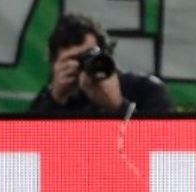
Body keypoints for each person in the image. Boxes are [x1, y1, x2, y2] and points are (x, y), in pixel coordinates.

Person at [29, 14, 171, 118]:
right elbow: (27, 149)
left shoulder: (144, 90)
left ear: (106, 54)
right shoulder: (48, 101)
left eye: (90, 56)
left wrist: (118, 107)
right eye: (74, 60)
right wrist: (55, 100)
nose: (85, 66)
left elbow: (161, 145)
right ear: (55, 65)